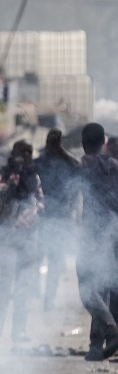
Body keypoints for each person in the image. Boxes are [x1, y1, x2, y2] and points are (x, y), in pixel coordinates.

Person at [0, 140, 43, 345]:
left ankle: (18, 333)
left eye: (28, 151)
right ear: (13, 153)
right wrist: (14, 175)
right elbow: (2, 197)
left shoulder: (34, 176)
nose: (24, 155)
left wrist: (37, 211)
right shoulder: (2, 173)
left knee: (24, 287)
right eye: (21, 151)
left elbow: (40, 200)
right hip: (9, 236)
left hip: (29, 237)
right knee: (5, 285)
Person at [75, 124, 118, 361]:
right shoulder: (114, 166)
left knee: (87, 290)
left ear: (83, 143)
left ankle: (111, 332)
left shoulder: (87, 164)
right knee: (103, 288)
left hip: (93, 234)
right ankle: (95, 345)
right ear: (103, 142)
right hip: (112, 233)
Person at [33, 129, 79, 310]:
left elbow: (78, 168)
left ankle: (49, 299)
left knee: (55, 262)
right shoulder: (40, 162)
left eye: (56, 141)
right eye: (51, 141)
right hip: (41, 218)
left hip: (60, 220)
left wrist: (61, 151)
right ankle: (32, 292)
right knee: (36, 259)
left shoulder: (67, 163)